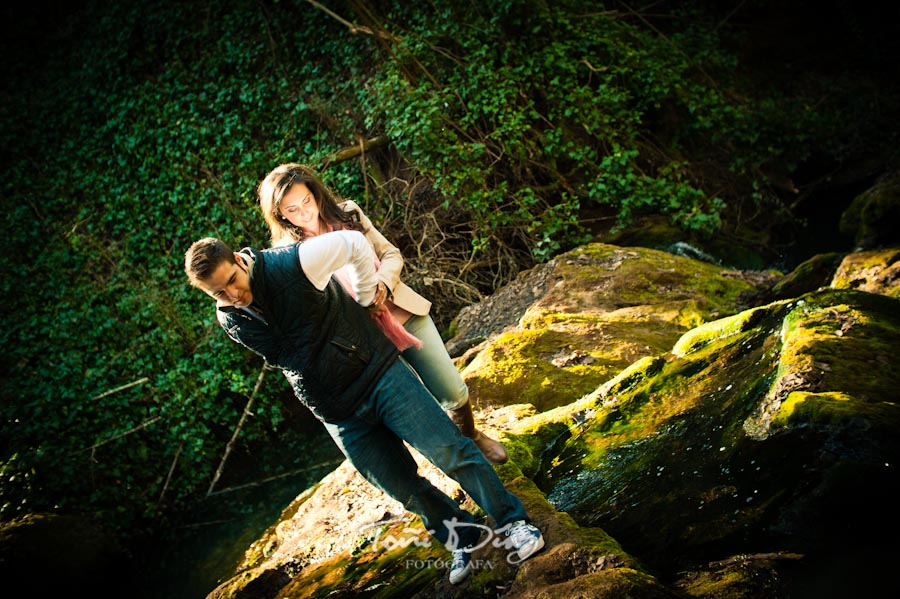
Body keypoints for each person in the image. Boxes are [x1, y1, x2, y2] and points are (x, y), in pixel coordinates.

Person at [183, 231, 544, 584]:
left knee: (449, 450)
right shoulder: (229, 317)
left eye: (232, 280)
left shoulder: (293, 262)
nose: (233, 294)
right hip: (337, 413)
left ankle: (513, 521)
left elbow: (355, 243)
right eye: (219, 292)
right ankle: (464, 537)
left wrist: (368, 294)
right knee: (403, 488)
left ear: (238, 260)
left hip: (379, 374)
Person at [257, 163, 508, 464]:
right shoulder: (287, 254)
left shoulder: (346, 212)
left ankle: (473, 435)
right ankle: (461, 461)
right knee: (416, 408)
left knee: (451, 388)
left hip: (402, 311)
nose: (304, 213)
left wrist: (383, 285)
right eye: (292, 210)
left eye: (306, 201)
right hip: (364, 341)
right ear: (281, 214)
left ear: (315, 192)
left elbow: (391, 254)